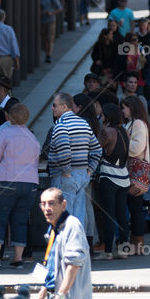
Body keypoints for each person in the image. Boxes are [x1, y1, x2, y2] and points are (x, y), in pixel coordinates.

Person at [0, 103, 40, 269]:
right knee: (20, 221)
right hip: (30, 184)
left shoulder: (3, 134)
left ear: (9, 117)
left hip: (5, 182)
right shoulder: (32, 137)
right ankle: (18, 258)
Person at [47, 93, 102, 224]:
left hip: (64, 177)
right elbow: (97, 150)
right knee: (78, 218)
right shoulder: (83, 123)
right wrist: (89, 171)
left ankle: (65, 245)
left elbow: (65, 151)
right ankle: (77, 244)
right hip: (81, 175)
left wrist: (66, 172)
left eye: (54, 105)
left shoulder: (61, 125)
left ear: (64, 106)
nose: (52, 108)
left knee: (62, 220)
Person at [93, 103, 131, 260]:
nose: (101, 117)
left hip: (109, 176)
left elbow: (94, 149)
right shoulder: (124, 131)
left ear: (107, 116)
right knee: (122, 215)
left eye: (102, 115)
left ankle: (108, 251)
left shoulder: (107, 131)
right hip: (123, 176)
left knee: (108, 215)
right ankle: (124, 250)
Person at [122, 95, 150, 255]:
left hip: (135, 172)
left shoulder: (138, 124)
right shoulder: (132, 123)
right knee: (135, 207)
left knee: (136, 208)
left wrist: (123, 138)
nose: (122, 111)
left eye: (124, 107)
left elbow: (135, 149)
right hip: (132, 172)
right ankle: (135, 242)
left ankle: (138, 243)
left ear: (132, 108)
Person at [39, 0, 63, 64]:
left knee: (50, 38)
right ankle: (47, 54)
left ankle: (49, 55)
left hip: (51, 20)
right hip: (42, 21)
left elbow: (60, 8)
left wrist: (52, 13)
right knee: (45, 38)